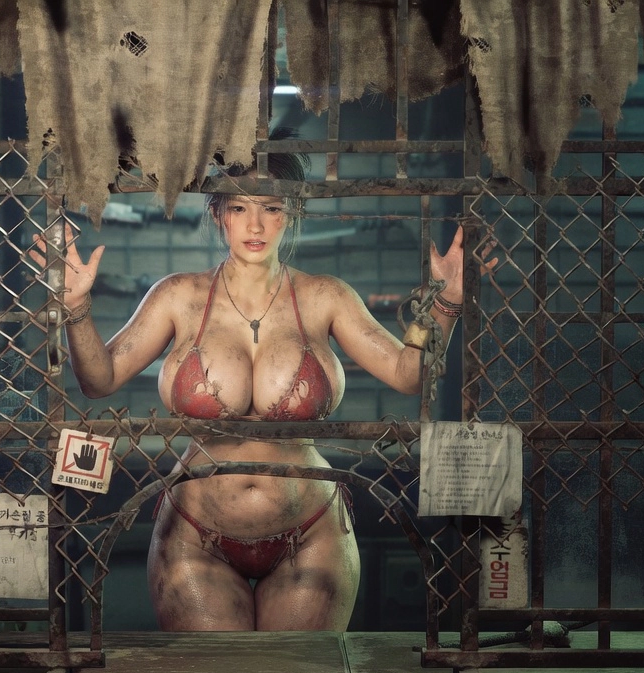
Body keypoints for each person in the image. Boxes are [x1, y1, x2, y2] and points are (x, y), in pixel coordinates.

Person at [28, 150, 500, 631]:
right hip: (195, 534)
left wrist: (447, 303)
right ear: (218, 214)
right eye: (239, 207)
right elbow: (99, 379)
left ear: (290, 214)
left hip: (310, 531)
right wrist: (76, 307)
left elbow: (408, 374)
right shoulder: (178, 296)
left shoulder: (325, 296)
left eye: (271, 208)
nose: (255, 224)